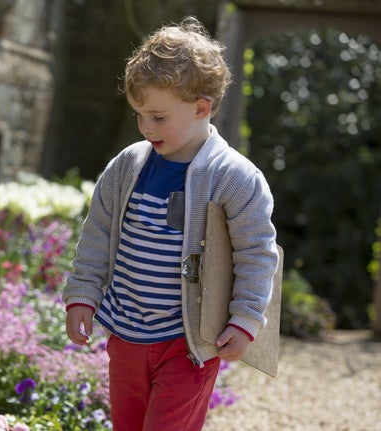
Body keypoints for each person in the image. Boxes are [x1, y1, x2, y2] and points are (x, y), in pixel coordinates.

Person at [62, 16, 279, 431]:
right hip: (125, 335)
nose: (146, 127)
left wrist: (246, 318)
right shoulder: (127, 167)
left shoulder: (235, 178)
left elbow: (257, 254)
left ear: (202, 108)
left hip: (189, 344)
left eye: (158, 117)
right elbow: (97, 235)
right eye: (139, 115)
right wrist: (82, 295)